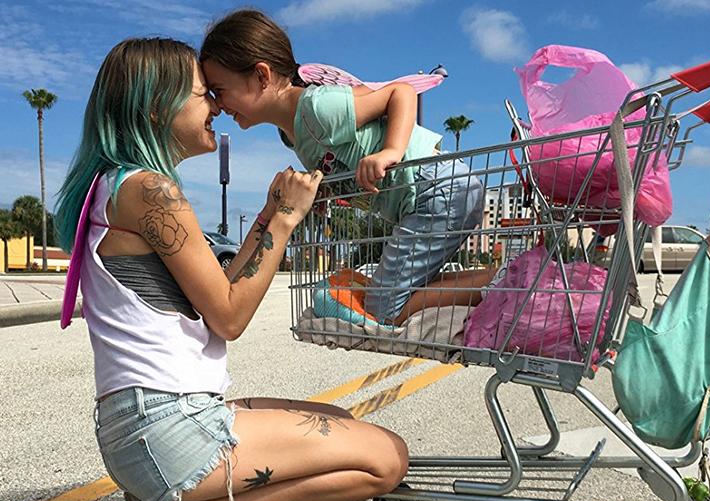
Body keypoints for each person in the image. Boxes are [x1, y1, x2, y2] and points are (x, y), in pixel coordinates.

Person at [54, 38, 409, 501]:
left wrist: (268, 214)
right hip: (169, 428)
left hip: (148, 427)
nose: (216, 107)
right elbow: (230, 316)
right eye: (204, 94)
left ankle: (170, 498)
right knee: (386, 461)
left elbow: (216, 295)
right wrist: (287, 220)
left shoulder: (116, 186)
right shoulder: (150, 190)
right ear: (157, 106)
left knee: (339, 419)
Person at [200, 9, 495, 326]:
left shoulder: (317, 107)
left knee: (384, 307)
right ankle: (507, 279)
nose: (217, 104)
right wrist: (325, 192)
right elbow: (343, 158)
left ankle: (509, 281)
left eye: (220, 90)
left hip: (435, 189)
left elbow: (401, 92)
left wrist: (391, 151)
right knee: (398, 294)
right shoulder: (291, 133)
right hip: (431, 194)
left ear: (261, 76)